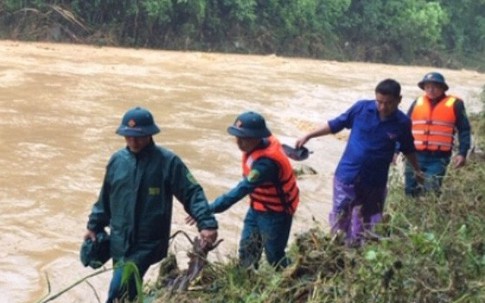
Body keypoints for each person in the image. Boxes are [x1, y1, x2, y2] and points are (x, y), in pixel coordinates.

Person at [84, 107, 218, 302]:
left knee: (117, 292)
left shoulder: (167, 162)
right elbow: (105, 198)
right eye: (128, 136)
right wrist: (93, 225)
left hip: (147, 243)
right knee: (128, 291)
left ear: (150, 134)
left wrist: (206, 223)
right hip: (119, 241)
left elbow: (191, 192)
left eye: (138, 136)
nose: (133, 141)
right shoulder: (117, 161)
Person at [296, 79, 423, 246]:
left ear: (399, 100)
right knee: (341, 215)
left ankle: (357, 250)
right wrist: (309, 135)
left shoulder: (402, 122)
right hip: (347, 175)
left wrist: (417, 170)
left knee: (368, 219)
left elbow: (408, 148)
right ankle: (338, 248)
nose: (383, 107)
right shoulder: (361, 108)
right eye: (380, 102)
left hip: (375, 181)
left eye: (389, 103)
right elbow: (335, 124)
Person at [191, 111, 300, 269]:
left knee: (274, 256)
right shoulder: (261, 144)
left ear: (257, 137)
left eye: (245, 138)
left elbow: (240, 191)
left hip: (276, 213)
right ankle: (247, 280)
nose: (239, 142)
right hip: (257, 207)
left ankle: (295, 277)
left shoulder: (265, 164)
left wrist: (208, 209)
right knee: (247, 250)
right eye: (238, 137)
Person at [404, 72, 471, 196]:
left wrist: (462, 153)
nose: (431, 89)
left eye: (435, 86)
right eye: (427, 86)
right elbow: (404, 127)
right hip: (414, 155)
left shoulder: (455, 104)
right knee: (410, 190)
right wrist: (397, 149)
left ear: (442, 88)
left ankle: (428, 214)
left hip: (438, 157)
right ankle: (413, 214)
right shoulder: (417, 102)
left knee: (431, 190)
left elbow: (464, 130)